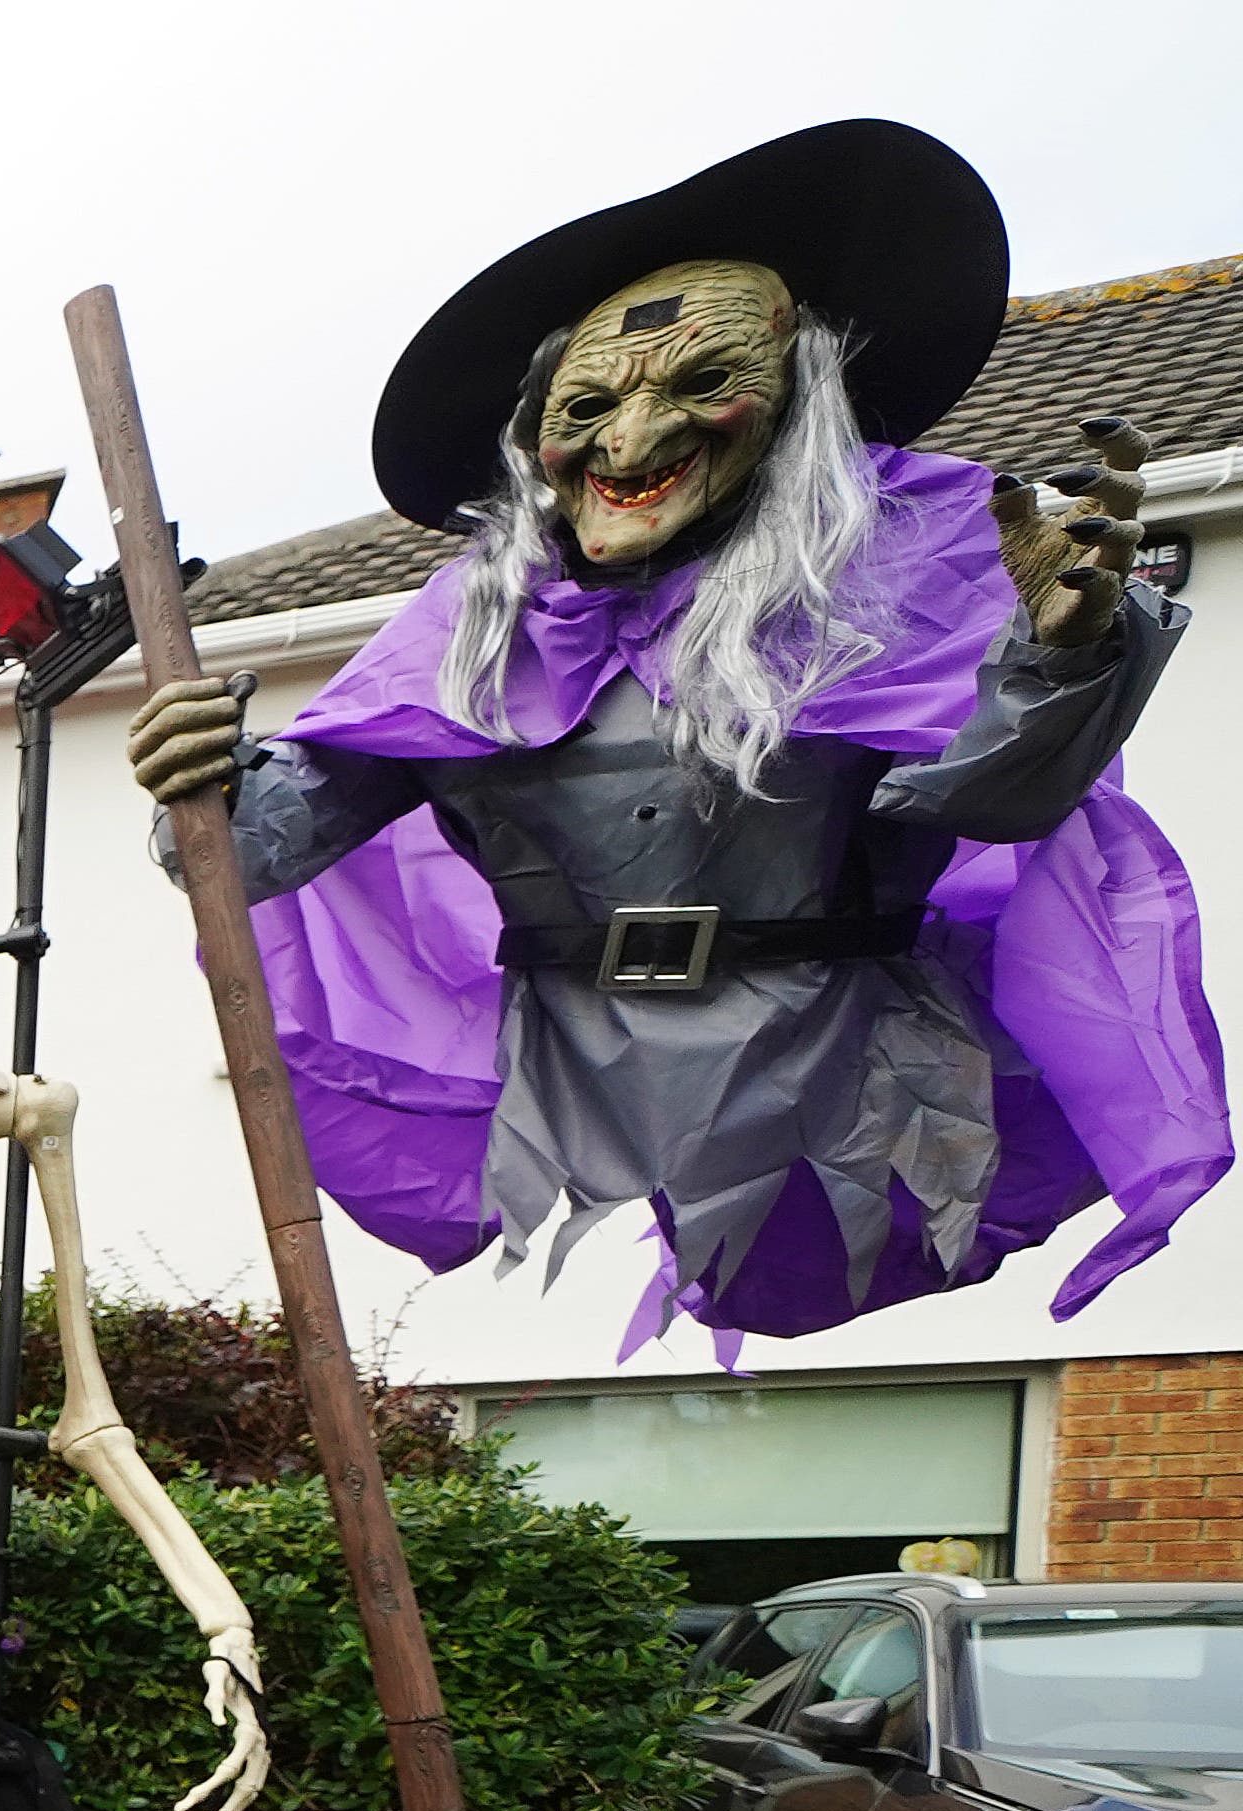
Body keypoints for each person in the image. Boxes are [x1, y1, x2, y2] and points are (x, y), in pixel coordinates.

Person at [123, 117, 1212, 1349]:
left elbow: (993, 799)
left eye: (701, 384)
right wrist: (198, 788)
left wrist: (1065, 656)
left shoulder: (912, 563)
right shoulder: (468, 624)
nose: (630, 442)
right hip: (572, 1057)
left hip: (836, 1047)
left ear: (800, 399)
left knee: (832, 1242)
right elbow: (262, 846)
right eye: (589, 404)